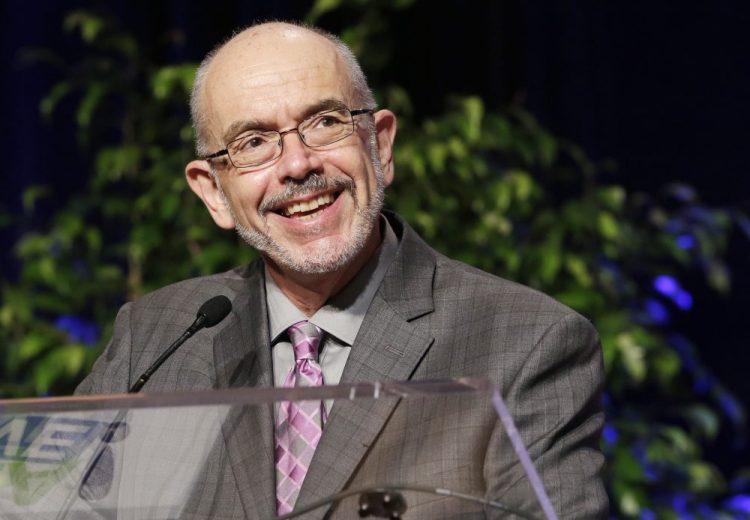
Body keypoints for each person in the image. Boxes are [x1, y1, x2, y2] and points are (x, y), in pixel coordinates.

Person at [77, 21, 607, 519]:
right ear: (213, 191)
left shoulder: (529, 343)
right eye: (253, 143)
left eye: (324, 123)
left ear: (379, 144)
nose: (297, 164)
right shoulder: (154, 338)